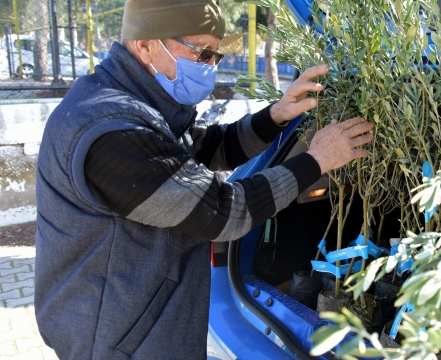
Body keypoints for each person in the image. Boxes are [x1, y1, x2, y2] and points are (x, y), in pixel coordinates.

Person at [33, 0, 373, 358]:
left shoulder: (139, 105)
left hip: (136, 324)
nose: (210, 66)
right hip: (118, 339)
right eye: (201, 53)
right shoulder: (112, 131)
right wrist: (316, 160)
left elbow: (210, 147)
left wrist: (276, 116)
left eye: (215, 56)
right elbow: (224, 213)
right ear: (145, 44)